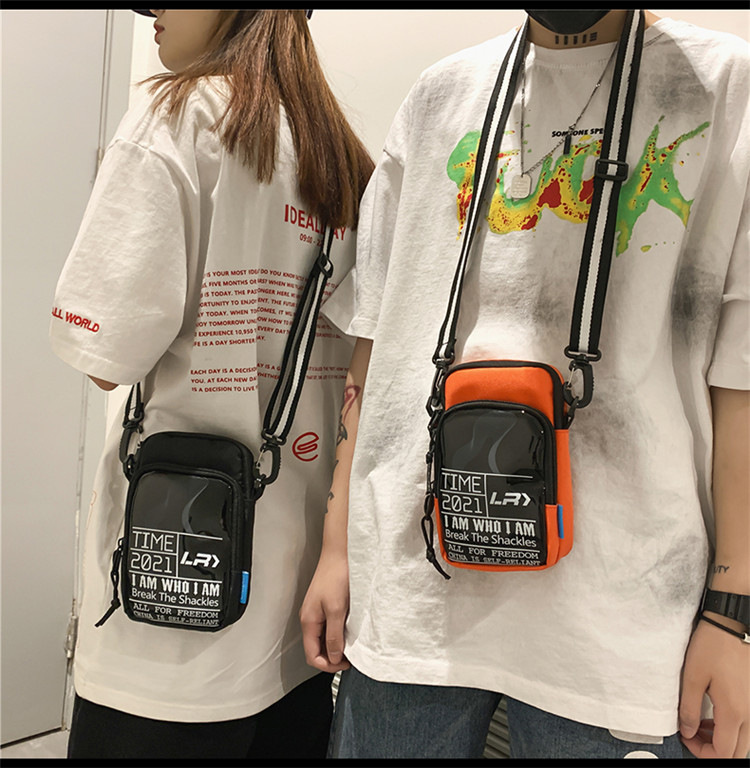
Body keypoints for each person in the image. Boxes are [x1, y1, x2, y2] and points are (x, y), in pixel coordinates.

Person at [301, 8, 749, 760]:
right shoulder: (441, 94)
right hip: (415, 595)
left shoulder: (723, 85)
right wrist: (338, 548)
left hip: (622, 617)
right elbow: (375, 342)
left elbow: (740, 376)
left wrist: (733, 612)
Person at [50, 9, 373, 760]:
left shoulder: (178, 115)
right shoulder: (345, 160)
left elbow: (104, 356)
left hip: (169, 617)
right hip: (292, 615)